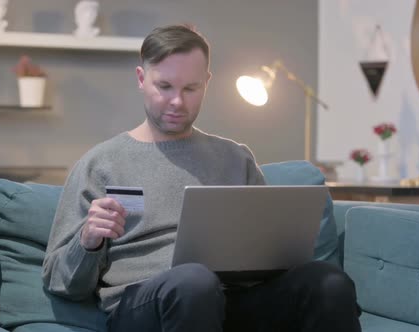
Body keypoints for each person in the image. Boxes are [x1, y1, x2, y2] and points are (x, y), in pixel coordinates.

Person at [43, 24, 361, 331]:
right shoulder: (100, 163)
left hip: (232, 300)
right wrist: (87, 242)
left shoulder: (236, 158)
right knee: (193, 282)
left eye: (190, 88)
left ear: (206, 82)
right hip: (145, 306)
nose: (177, 102)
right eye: (164, 87)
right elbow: (59, 282)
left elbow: (269, 259)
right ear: (141, 78)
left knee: (328, 282)